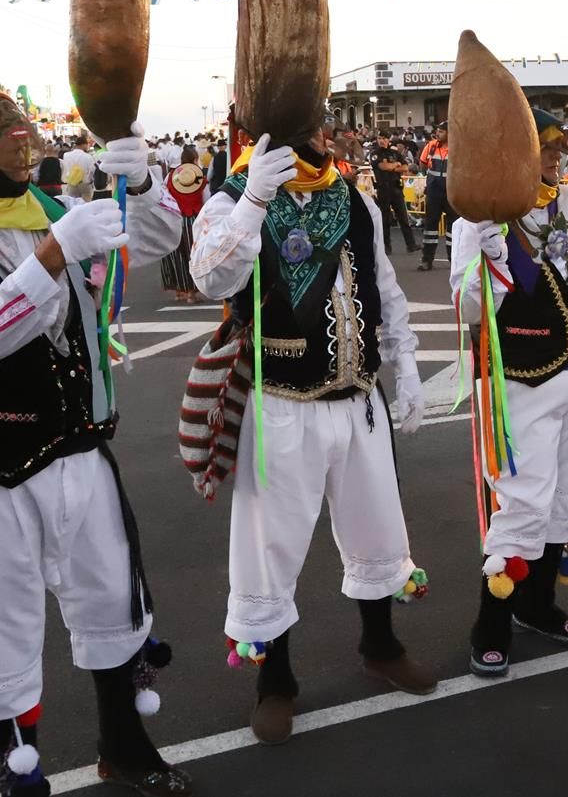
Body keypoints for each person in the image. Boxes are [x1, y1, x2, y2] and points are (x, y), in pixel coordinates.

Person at [0, 80, 193, 795]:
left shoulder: (53, 210)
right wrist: (50, 256)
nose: (19, 132)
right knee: (3, 628)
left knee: (111, 602)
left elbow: (157, 240)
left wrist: (142, 182)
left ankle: (125, 744)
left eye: (17, 116)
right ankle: (19, 768)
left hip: (79, 448)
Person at [188, 122, 433, 746]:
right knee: (270, 546)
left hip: (358, 400)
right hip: (279, 403)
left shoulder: (354, 199)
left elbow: (385, 288)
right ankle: (275, 682)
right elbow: (210, 278)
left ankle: (380, 644)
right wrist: (253, 201)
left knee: (376, 526)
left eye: (318, 124)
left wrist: (406, 366)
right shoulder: (231, 196)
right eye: (302, 127)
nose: (318, 138)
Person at [449, 110, 568, 679]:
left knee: (562, 499)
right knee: (525, 501)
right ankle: (491, 619)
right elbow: (469, 310)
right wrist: (492, 257)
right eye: (544, 152)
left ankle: (536, 604)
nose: (555, 161)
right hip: (523, 380)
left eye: (557, 151)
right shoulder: (479, 220)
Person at [163, 146, 207, 303]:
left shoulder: (170, 177)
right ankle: (191, 293)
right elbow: (206, 200)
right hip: (192, 220)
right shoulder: (200, 178)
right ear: (195, 159)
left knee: (176, 256)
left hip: (174, 219)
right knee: (192, 254)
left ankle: (179, 291)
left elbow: (164, 197)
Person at [368, 131, 417, 256]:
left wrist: (393, 167)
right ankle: (386, 246)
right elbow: (383, 167)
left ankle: (411, 245)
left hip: (396, 188)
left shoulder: (394, 153)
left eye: (383, 138)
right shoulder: (375, 154)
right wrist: (395, 165)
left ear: (388, 139)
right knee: (385, 219)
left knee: (403, 218)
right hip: (383, 189)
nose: (381, 140)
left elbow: (406, 167)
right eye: (379, 138)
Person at [415, 121, 456, 271]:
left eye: (441, 131)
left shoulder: (457, 148)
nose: (438, 134)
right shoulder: (431, 146)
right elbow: (423, 163)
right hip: (434, 192)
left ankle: (454, 261)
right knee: (430, 226)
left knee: (453, 228)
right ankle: (427, 260)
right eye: (437, 131)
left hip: (451, 193)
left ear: (450, 133)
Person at [62, 132, 97, 204]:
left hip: (72, 183)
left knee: (72, 204)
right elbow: (92, 170)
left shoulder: (66, 155)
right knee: (86, 204)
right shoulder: (88, 157)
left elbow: (65, 168)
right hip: (85, 184)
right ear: (84, 144)